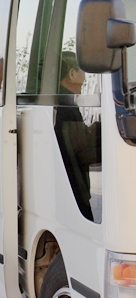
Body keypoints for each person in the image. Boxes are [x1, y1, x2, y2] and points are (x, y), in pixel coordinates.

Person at [55, 51, 101, 221]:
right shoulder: (65, 106)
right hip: (74, 190)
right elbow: (80, 149)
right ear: (72, 74)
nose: (85, 78)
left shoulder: (62, 101)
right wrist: (98, 131)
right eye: (82, 71)